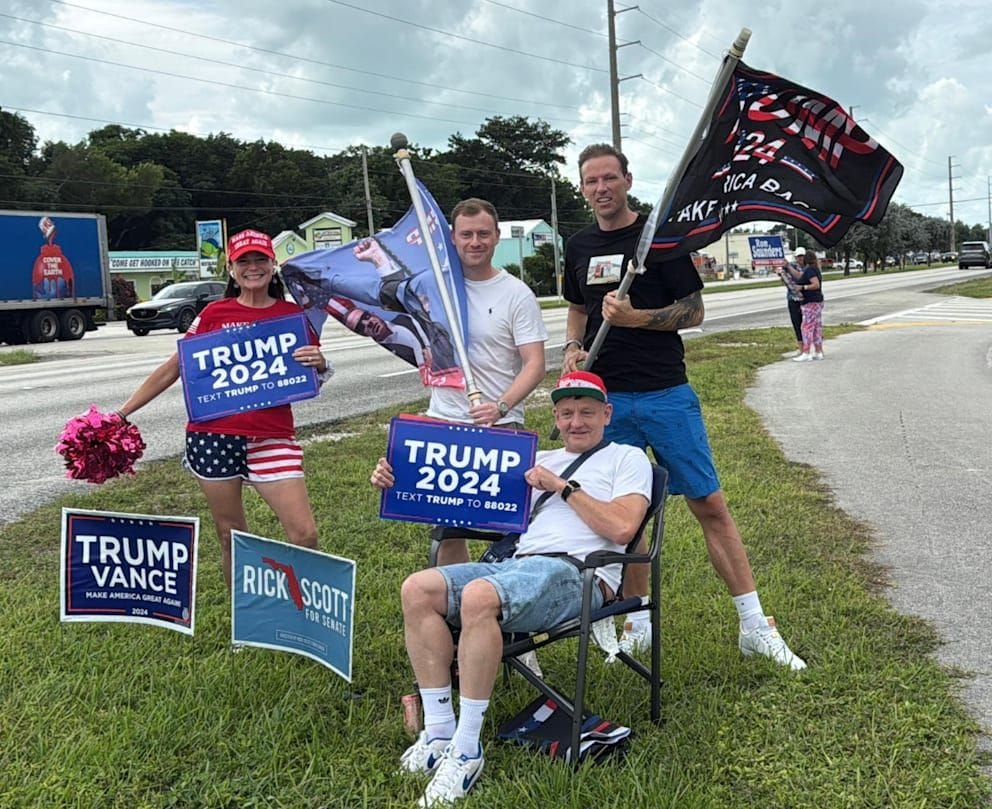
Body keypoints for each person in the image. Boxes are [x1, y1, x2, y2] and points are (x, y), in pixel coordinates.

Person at [562, 143, 806, 670]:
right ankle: (637, 624)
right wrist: (571, 350)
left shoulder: (659, 238)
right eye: (591, 181)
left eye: (609, 178)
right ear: (582, 188)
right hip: (606, 403)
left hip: (665, 395)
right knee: (626, 520)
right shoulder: (578, 244)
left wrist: (634, 318)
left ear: (627, 180)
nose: (601, 188)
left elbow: (693, 311)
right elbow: (577, 309)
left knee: (708, 505)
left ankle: (754, 626)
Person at [370, 371, 652, 807]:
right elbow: (475, 504)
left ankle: (467, 748)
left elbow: (622, 527)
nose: (576, 421)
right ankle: (441, 730)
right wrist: (399, 478)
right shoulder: (538, 458)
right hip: (518, 568)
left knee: (479, 596)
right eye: (567, 413)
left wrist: (562, 488)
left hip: (579, 574)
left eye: (587, 412)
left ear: (607, 414)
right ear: (556, 418)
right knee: (417, 589)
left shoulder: (626, 457)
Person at [114, 229, 332, 590]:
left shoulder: (293, 317)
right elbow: (175, 366)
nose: (252, 267)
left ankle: (302, 613)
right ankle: (244, 620)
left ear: (272, 264)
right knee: (232, 535)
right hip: (213, 437)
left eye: (260, 259)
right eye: (243, 261)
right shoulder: (214, 313)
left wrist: (321, 365)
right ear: (231, 269)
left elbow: (305, 379)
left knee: (305, 533)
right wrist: (122, 414)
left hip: (271, 436)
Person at [425, 198, 548, 566]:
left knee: (502, 528)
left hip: (499, 427)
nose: (474, 242)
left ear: (496, 236)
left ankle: (501, 607)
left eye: (483, 233)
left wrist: (501, 407)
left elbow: (535, 364)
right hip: (444, 422)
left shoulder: (516, 294)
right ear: (453, 237)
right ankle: (451, 609)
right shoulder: (435, 290)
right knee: (447, 529)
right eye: (466, 234)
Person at [792, 251, 825, 362]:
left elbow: (816, 284)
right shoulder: (815, 269)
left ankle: (806, 352)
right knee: (816, 327)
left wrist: (803, 287)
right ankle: (818, 351)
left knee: (806, 327)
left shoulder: (810, 270)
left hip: (810, 302)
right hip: (817, 301)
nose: (800, 260)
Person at [775, 254, 805, 355]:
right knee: (796, 323)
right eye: (798, 256)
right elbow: (785, 281)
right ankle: (802, 349)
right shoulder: (789, 267)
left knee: (807, 324)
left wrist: (788, 267)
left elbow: (800, 276)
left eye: (802, 256)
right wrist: (780, 272)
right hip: (792, 299)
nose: (800, 258)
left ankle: (811, 347)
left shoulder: (807, 267)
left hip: (805, 299)